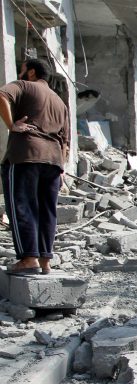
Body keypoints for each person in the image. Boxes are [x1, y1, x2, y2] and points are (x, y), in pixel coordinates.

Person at [0, 58, 69, 274]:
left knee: (22, 206)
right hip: (54, 161)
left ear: (31, 72)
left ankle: (28, 258)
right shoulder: (59, 101)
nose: (20, 74)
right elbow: (65, 141)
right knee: (47, 211)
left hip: (26, 156)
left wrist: (12, 125)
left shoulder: (23, 86)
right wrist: (62, 170)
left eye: (22, 70)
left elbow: (1, 95)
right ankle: (45, 261)